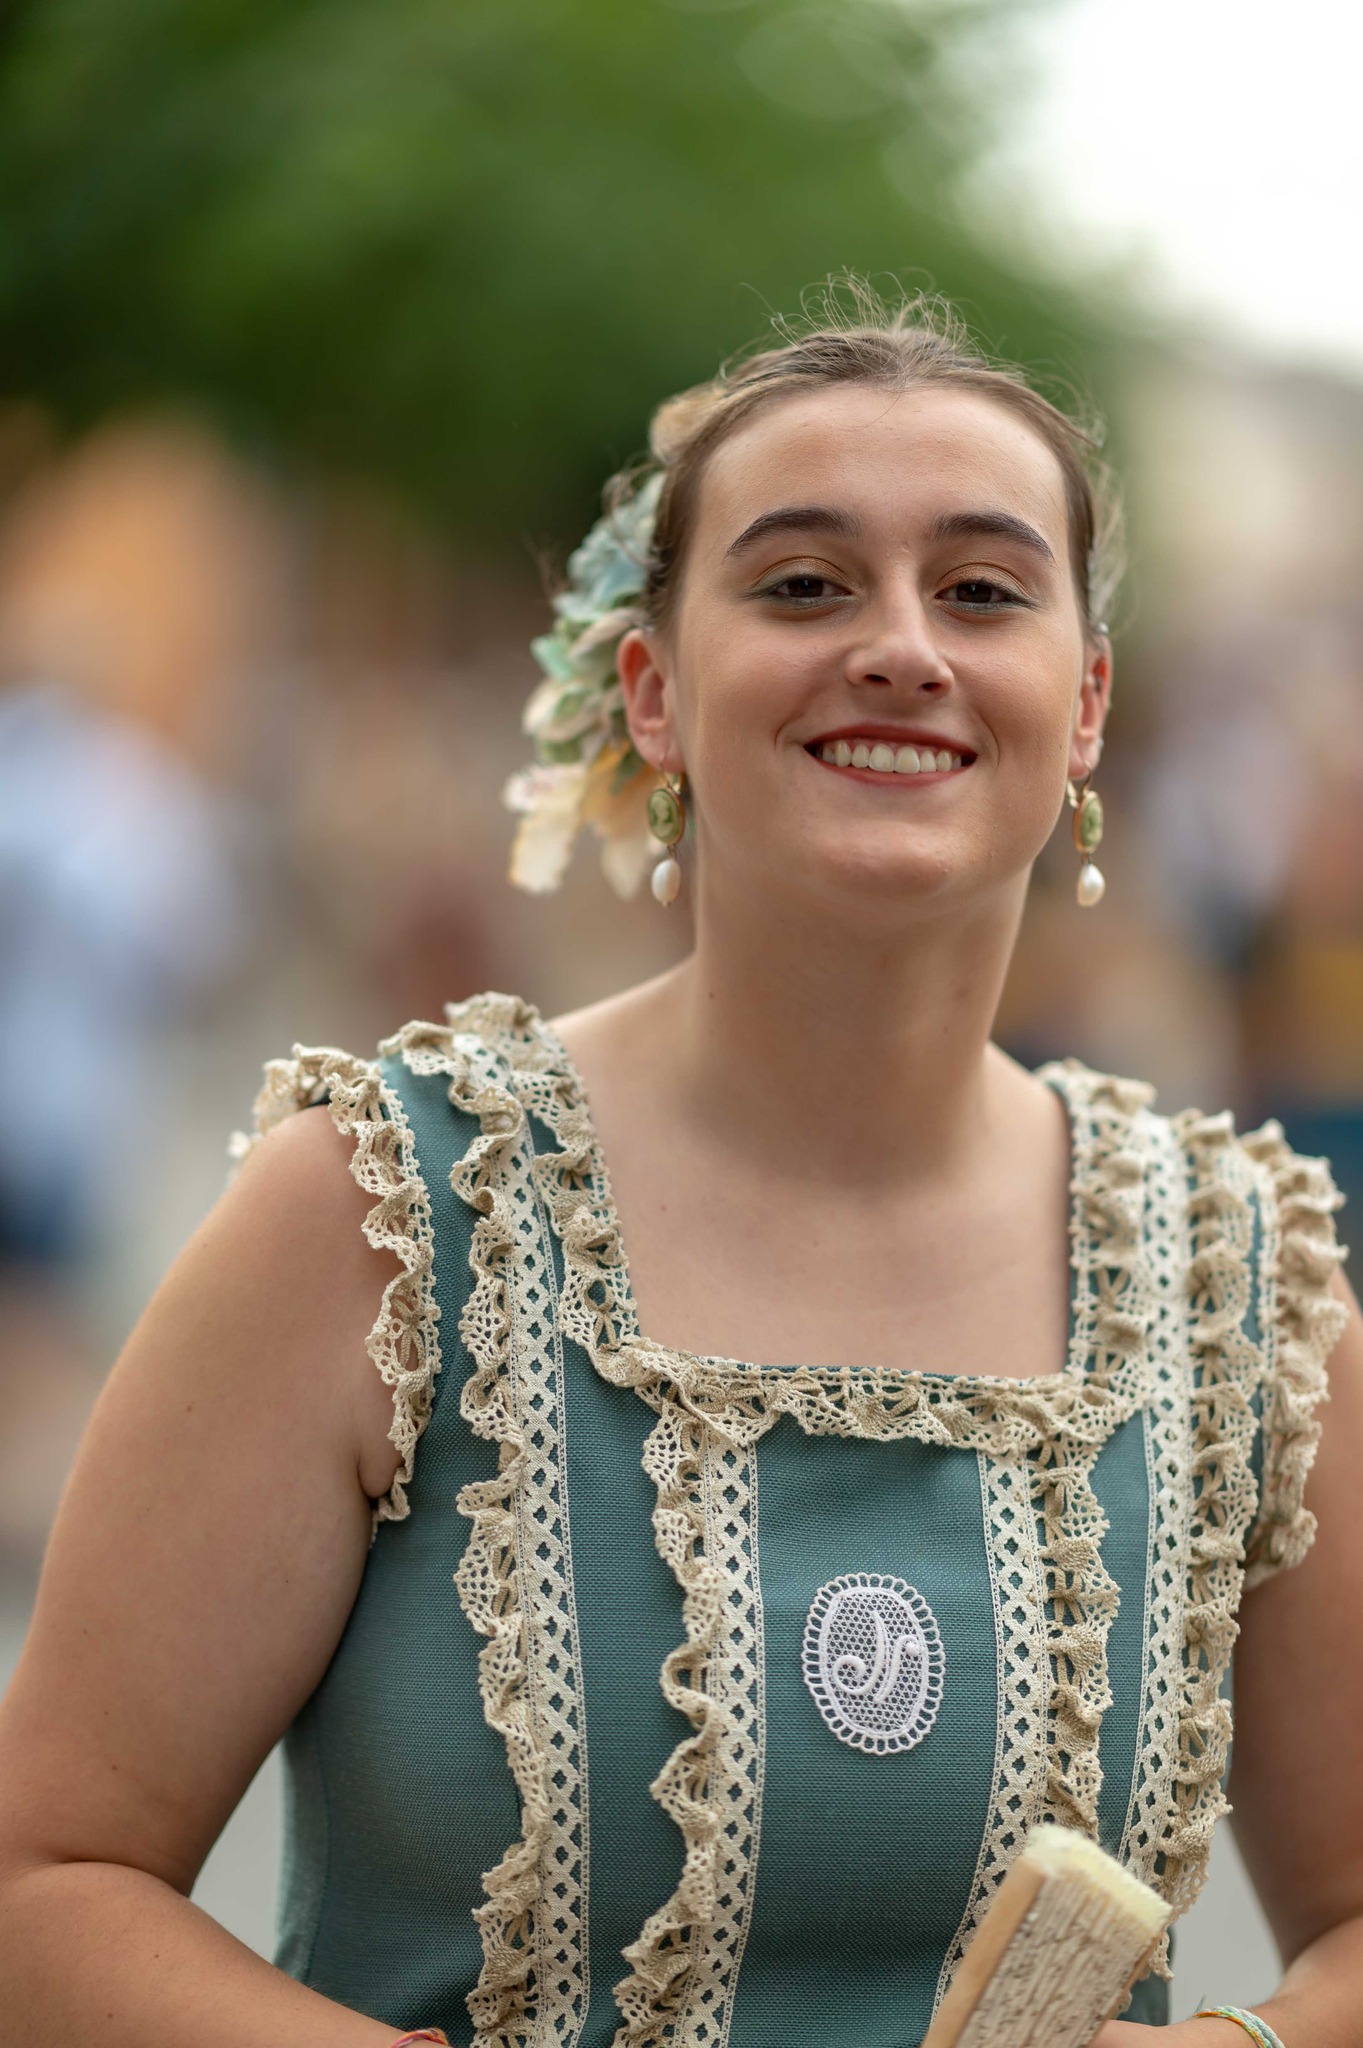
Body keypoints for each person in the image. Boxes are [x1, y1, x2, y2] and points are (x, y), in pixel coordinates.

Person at [0, 289, 1359, 2048]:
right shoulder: (387, 1210)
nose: (902, 647)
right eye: (802, 585)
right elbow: (47, 1886)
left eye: (982, 590)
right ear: (653, 692)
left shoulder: (1238, 1278)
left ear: (1084, 702)